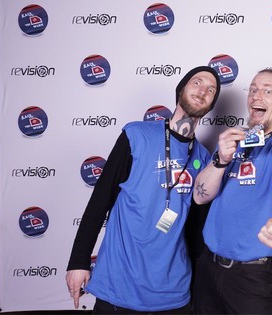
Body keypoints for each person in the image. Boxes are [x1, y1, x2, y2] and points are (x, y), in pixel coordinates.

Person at [65, 66, 221, 314]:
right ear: (181, 89)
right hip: (119, 285)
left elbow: (195, 231)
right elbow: (100, 199)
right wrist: (78, 261)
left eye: (211, 90)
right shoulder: (136, 135)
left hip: (174, 292)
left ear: (211, 105)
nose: (203, 91)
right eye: (197, 82)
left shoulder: (203, 158)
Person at [192, 68, 272, 314]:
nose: (256, 96)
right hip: (207, 268)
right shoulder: (232, 142)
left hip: (251, 277)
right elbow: (200, 196)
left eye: (267, 91)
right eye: (253, 90)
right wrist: (221, 160)